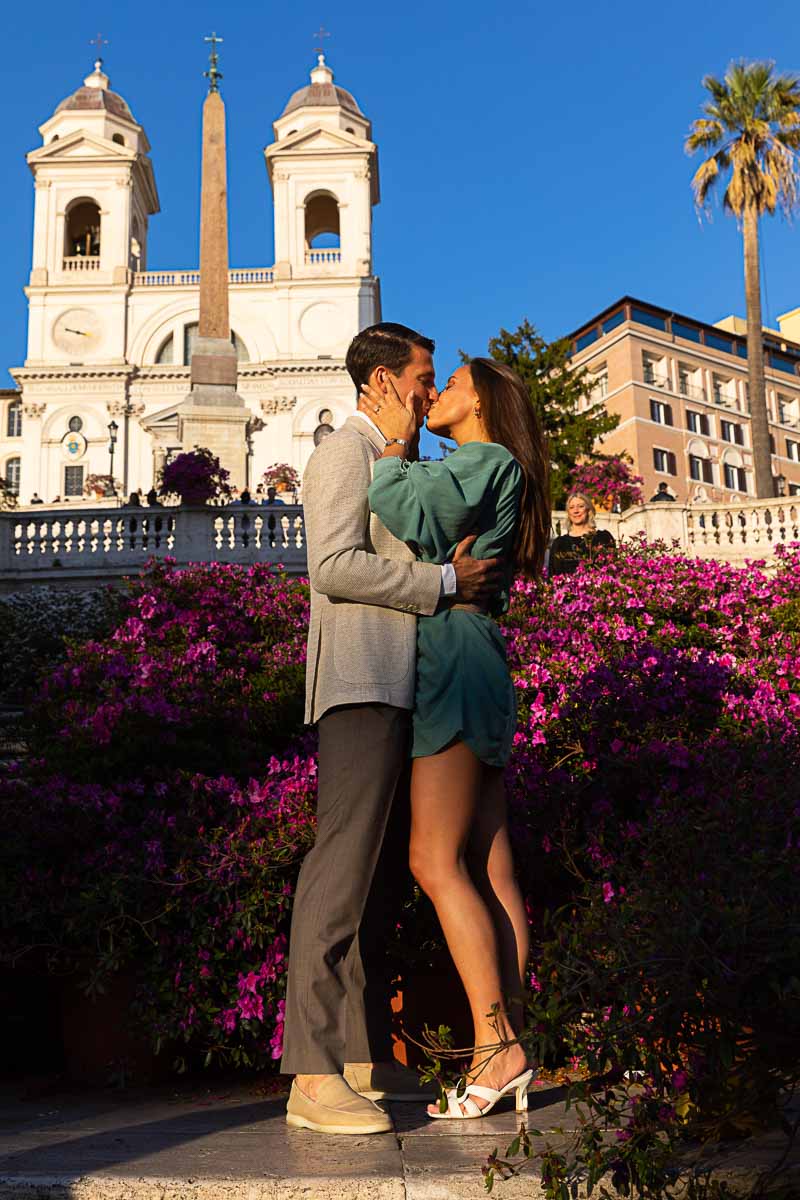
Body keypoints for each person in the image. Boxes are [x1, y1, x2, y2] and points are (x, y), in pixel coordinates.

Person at [282, 323, 502, 1136]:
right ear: (380, 379)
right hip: (361, 681)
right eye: (421, 375)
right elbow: (331, 566)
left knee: (376, 880)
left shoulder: (398, 459)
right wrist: (442, 580)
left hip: (407, 686)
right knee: (339, 871)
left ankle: (361, 1055)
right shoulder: (345, 450)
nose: (427, 388)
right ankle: (311, 1074)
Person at [359, 359, 551, 1120]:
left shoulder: (486, 459)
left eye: (450, 384)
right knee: (490, 865)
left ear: (481, 403)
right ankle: (513, 1043)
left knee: (432, 859)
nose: (433, 394)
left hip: (456, 660)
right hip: (477, 655)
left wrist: (396, 445)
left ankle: (498, 1046)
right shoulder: (492, 466)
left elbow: (406, 506)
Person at [548, 491, 615, 577]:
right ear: (568, 513)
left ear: (588, 510)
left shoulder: (603, 538)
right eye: (571, 507)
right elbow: (552, 576)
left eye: (580, 506)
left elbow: (613, 570)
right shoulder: (559, 543)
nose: (576, 511)